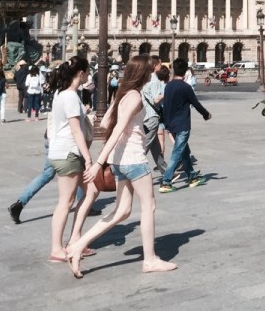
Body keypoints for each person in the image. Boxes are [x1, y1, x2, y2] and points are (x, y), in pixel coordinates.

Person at [65, 56, 177, 278]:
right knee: (149, 206)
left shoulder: (123, 95)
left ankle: (77, 246)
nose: (151, 74)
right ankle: (150, 259)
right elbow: (116, 129)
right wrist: (98, 163)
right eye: (149, 71)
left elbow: (106, 122)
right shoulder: (135, 97)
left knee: (122, 211)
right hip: (134, 158)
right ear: (142, 74)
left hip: (119, 160)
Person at [47, 57, 94, 262]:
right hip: (69, 152)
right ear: (81, 73)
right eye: (87, 72)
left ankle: (75, 240)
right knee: (66, 202)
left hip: (63, 151)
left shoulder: (61, 94)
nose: (88, 76)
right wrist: (88, 158)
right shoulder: (71, 97)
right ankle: (57, 249)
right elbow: (76, 131)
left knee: (92, 191)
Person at [159, 58, 212, 193]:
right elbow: (196, 104)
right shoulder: (186, 87)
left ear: (174, 70)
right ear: (185, 71)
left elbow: (166, 106)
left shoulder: (168, 86)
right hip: (182, 124)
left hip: (171, 124)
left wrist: (166, 122)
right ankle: (166, 181)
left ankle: (192, 177)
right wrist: (206, 114)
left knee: (184, 152)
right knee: (177, 152)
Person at [142, 59, 168, 173]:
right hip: (152, 116)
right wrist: (166, 93)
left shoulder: (145, 79)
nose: (161, 66)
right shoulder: (155, 80)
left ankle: (167, 172)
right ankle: (133, 169)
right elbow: (155, 100)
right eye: (159, 64)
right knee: (144, 147)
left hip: (146, 115)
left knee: (156, 147)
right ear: (154, 66)